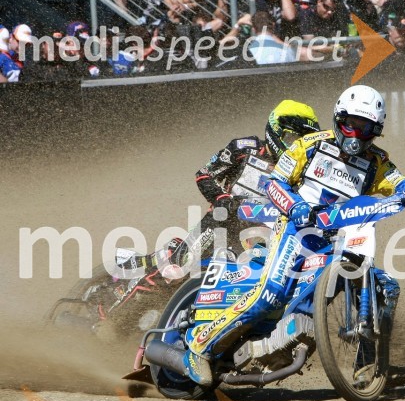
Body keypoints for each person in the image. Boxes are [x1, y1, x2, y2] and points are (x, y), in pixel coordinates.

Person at [181, 84, 405, 385]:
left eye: (366, 128)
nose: (357, 135)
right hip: (294, 231)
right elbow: (275, 183)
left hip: (338, 239)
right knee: (269, 296)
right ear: (338, 119)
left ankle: (369, 365)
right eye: (352, 125)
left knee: (384, 287)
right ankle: (199, 346)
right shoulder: (310, 146)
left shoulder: (376, 162)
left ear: (377, 130)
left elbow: (400, 183)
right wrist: (296, 207)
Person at [97, 100, 322, 315]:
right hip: (221, 223)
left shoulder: (302, 171)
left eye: (301, 140)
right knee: (177, 267)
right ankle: (110, 311)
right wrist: (222, 198)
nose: (296, 145)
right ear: (276, 131)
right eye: (291, 138)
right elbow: (205, 173)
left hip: (261, 239)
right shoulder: (246, 148)